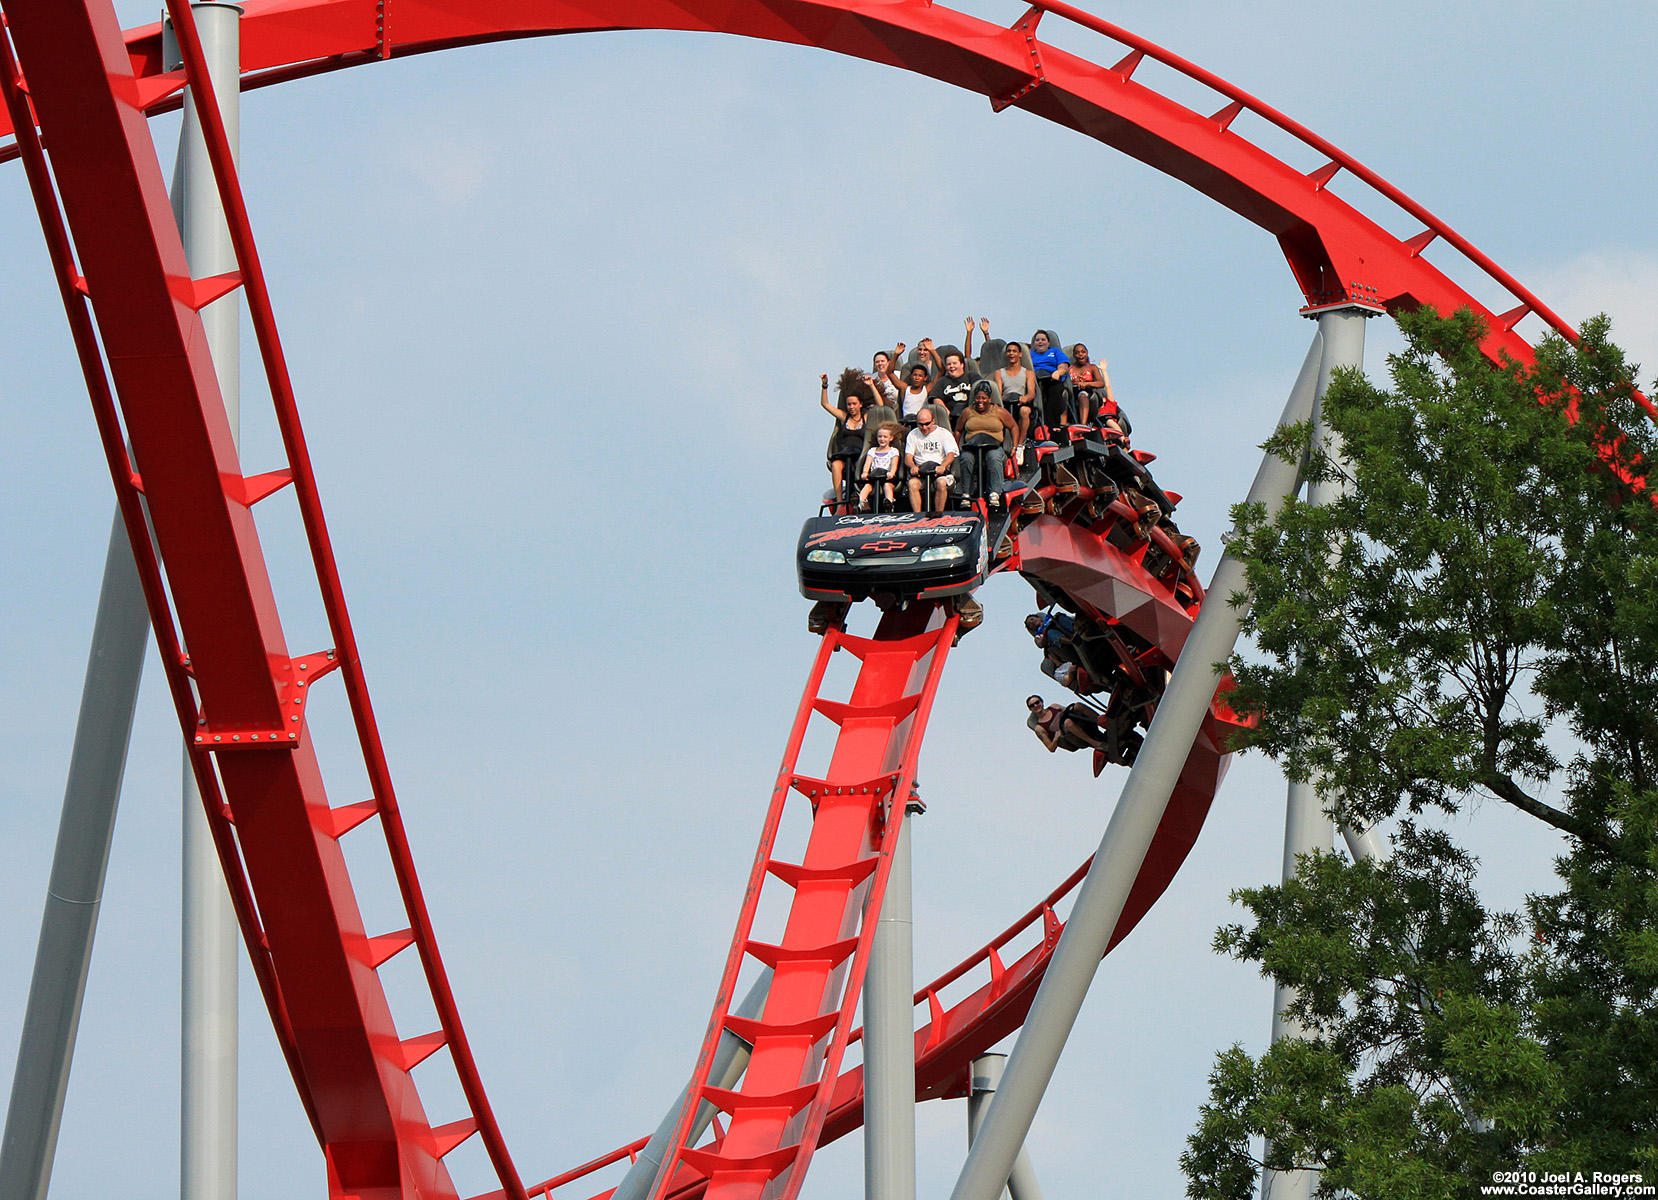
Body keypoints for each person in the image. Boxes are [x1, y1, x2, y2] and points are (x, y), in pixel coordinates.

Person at [954, 380, 1018, 502]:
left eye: (984, 398)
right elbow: (958, 430)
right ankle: (966, 493)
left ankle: (994, 493)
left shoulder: (999, 411)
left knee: (993, 458)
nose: (980, 401)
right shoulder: (967, 412)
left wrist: (1014, 447)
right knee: (966, 458)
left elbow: (1013, 427)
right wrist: (956, 448)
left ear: (989, 399)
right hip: (972, 446)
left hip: (993, 446)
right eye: (978, 398)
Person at [819, 369, 870, 506]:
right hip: (844, 454)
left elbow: (881, 406)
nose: (851, 407)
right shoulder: (844, 417)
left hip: (859, 456)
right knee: (836, 465)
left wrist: (871, 385)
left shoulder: (866, 417)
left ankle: (862, 499)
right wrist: (825, 386)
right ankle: (840, 502)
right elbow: (825, 405)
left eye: (854, 404)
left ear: (860, 404)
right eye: (849, 404)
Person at [904, 407, 958, 512]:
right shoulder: (912, 435)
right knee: (912, 484)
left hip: (939, 471)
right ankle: (918, 515)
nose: (924, 427)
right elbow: (908, 457)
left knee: (941, 483)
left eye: (927, 424)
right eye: (920, 424)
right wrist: (913, 467)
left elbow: (951, 454)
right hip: (921, 472)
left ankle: (938, 514)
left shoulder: (944, 433)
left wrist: (943, 466)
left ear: (933, 421)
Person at [1069, 343, 1121, 436]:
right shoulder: (1070, 368)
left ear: (1087, 353)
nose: (1080, 354)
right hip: (1072, 392)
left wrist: (1087, 384)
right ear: (1074, 355)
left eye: (1083, 352)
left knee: (1083, 395)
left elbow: (1101, 383)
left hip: (1088, 392)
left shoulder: (1092, 367)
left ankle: (1083, 425)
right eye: (1077, 353)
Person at [1028, 330, 1072, 431]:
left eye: (1043, 340)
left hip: (1051, 379)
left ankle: (1052, 425)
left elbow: (1064, 366)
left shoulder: (1055, 351)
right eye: (1037, 340)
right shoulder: (1030, 354)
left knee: (1056, 391)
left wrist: (1058, 372)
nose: (1040, 342)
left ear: (1048, 342)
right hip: (1035, 380)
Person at [996, 341, 1036, 443]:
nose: (1011, 353)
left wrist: (1025, 398)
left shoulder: (1028, 373)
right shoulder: (999, 373)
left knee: (1024, 411)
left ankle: (1019, 444)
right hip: (1006, 403)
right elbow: (998, 393)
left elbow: (1031, 392)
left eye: (1014, 351)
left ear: (1020, 354)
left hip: (1020, 402)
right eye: (1009, 351)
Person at [859, 423, 903, 511]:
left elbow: (894, 464)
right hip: (874, 477)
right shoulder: (872, 451)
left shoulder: (893, 451)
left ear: (891, 438)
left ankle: (889, 504)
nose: (882, 439)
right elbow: (867, 463)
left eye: (885, 437)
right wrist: (865, 473)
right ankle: (861, 503)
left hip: (886, 477)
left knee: (887, 486)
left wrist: (892, 473)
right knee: (867, 487)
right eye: (880, 437)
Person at [933, 350, 977, 419]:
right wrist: (947, 414)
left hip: (971, 415)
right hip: (950, 417)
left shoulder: (972, 376)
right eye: (948, 364)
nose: (951, 366)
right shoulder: (942, 381)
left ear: (962, 365)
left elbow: (981, 393)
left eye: (954, 363)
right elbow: (936, 398)